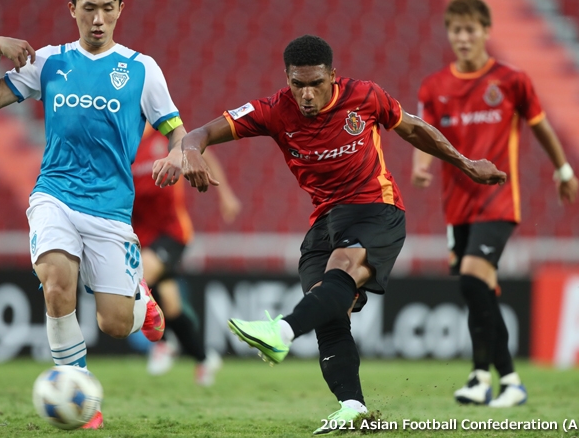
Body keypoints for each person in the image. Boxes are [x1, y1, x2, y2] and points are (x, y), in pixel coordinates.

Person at [179, 34, 506, 434]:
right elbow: (198, 133)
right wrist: (191, 151)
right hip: (326, 221)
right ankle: (353, 407)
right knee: (327, 310)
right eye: (298, 84)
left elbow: (414, 129)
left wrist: (465, 163)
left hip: (376, 208)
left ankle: (281, 332)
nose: (307, 95)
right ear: (287, 79)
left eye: (316, 83)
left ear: (333, 76)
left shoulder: (365, 96)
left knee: (341, 268)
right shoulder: (274, 110)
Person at [0, 0, 186, 429]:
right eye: (88, 8)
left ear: (120, 9)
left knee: (115, 323)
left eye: (107, 8)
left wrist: (177, 154)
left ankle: (140, 301)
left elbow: (176, 129)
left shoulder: (141, 69)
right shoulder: (49, 62)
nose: (98, 19)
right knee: (56, 284)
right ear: (72, 9)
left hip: (110, 209)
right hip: (54, 195)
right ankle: (79, 392)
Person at [412, 0, 579, 408]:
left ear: (486, 31)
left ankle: (493, 379)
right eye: (456, 30)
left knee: (473, 280)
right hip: (457, 205)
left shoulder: (511, 80)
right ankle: (494, 380)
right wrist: (420, 166)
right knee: (478, 290)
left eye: (470, 29)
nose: (463, 37)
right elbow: (421, 133)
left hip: (499, 200)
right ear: (449, 34)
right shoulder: (434, 86)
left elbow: (541, 127)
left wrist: (563, 170)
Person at [131, 124, 241, 384]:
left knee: (141, 274)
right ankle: (204, 358)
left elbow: (201, 151)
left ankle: (164, 342)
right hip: (140, 234)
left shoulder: (167, 135)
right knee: (171, 307)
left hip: (172, 232)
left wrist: (225, 195)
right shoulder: (125, 139)